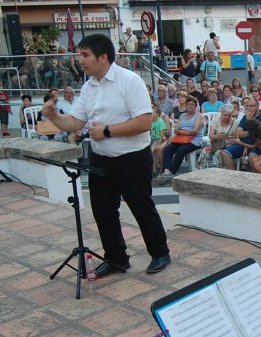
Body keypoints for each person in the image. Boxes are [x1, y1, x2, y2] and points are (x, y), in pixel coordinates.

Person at [42, 34, 170, 276]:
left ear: (103, 57)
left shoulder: (129, 81)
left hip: (132, 157)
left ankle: (160, 252)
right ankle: (116, 258)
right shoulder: (89, 86)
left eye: (85, 55)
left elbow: (144, 122)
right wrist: (53, 116)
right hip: (101, 158)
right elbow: (74, 121)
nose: (81, 60)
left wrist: (108, 131)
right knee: (102, 210)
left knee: (141, 207)